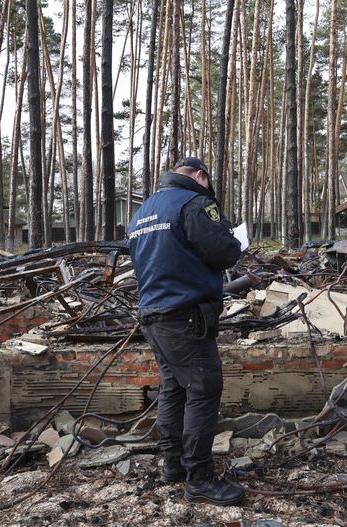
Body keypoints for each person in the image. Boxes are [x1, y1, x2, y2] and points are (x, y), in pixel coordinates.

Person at [127, 156, 245, 506]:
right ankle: (200, 479)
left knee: (174, 389)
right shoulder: (194, 203)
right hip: (185, 314)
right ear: (199, 177)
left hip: (153, 314)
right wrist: (233, 240)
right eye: (207, 180)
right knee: (203, 389)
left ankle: (173, 465)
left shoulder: (143, 212)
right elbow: (224, 252)